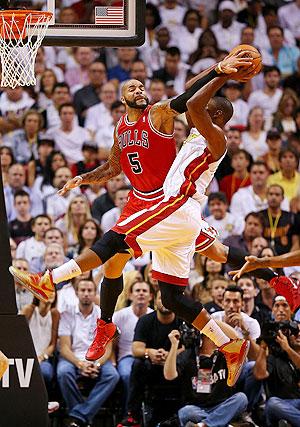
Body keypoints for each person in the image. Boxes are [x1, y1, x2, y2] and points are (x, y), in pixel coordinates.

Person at [10, 52, 255, 388]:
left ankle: (50, 279)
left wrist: (218, 71)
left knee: (121, 244)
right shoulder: (121, 128)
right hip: (144, 205)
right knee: (142, 282)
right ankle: (108, 325)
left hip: (167, 203)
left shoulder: (158, 114)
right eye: (134, 87)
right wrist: (82, 179)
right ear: (122, 99)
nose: (140, 90)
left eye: (143, 86)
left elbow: (185, 100)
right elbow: (113, 168)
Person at [57, 278, 119, 427]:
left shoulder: (104, 315)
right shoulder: (67, 313)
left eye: (89, 290)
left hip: (98, 360)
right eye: (83, 290)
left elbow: (108, 348)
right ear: (76, 292)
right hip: (73, 359)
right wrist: (80, 364)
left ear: (95, 293)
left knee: (113, 375)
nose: (86, 294)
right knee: (63, 372)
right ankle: (84, 418)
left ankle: (78, 417)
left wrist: (96, 364)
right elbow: (65, 348)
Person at [164, 326, 248, 427]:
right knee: (186, 412)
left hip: (222, 405)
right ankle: (220, 422)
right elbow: (169, 375)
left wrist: (208, 320)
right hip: (199, 409)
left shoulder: (225, 354)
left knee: (241, 398)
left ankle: (204, 425)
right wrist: (174, 345)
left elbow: (237, 339)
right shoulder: (188, 355)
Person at [253, 297, 300, 427]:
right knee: (273, 404)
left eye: (285, 305)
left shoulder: (295, 336)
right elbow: (259, 374)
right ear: (272, 310)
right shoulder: (271, 343)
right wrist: (263, 346)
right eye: (277, 306)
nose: (280, 310)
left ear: (292, 311)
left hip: (297, 402)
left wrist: (288, 348)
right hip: (278, 404)